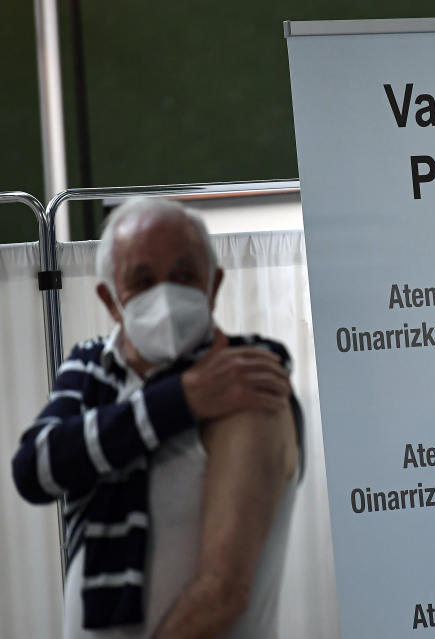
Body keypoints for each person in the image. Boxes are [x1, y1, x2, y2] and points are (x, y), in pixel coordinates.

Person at [11, 198, 302, 638]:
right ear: (111, 300)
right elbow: (34, 469)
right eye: (142, 281)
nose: (165, 297)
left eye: (184, 276)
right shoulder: (91, 369)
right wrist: (178, 400)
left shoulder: (243, 376)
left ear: (214, 285)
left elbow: (224, 591)